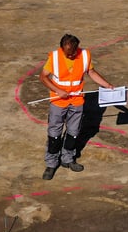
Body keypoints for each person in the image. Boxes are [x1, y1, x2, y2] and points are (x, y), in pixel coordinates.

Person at [39, 34, 113, 180]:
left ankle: (68, 158)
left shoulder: (84, 55)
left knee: (73, 132)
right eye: (68, 53)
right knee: (54, 133)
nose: (71, 56)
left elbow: (91, 72)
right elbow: (43, 77)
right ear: (62, 48)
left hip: (77, 100)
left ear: (77, 48)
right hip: (58, 101)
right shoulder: (55, 57)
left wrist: (107, 85)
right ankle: (51, 163)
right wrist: (58, 90)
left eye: (73, 53)